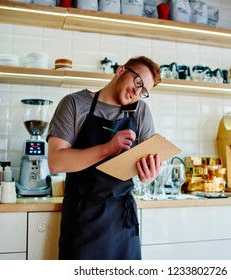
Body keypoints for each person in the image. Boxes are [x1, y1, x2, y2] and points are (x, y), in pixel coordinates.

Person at [47, 56, 162, 260]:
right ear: (120, 71)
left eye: (144, 91)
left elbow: (151, 159)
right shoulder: (74, 103)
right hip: (82, 217)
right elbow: (56, 162)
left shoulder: (141, 111)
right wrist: (108, 148)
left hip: (122, 219)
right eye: (137, 82)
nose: (137, 92)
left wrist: (149, 173)